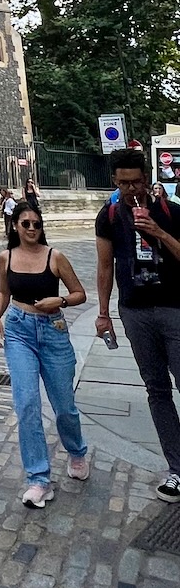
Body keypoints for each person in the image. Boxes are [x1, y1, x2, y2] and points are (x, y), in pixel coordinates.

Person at [95, 149, 180, 504]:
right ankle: (176, 468)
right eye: (123, 183)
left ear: (146, 179)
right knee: (157, 389)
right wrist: (103, 313)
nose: (130, 189)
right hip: (135, 311)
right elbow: (104, 267)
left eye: (135, 182)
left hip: (174, 307)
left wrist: (158, 231)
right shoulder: (109, 216)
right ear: (115, 182)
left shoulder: (171, 211)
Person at [0, 201, 89, 507]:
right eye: (25, 224)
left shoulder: (55, 256)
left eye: (36, 223)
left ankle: (76, 451)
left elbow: (79, 293)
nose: (32, 229)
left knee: (64, 405)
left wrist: (58, 301)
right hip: (19, 330)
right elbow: (4, 292)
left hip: (53, 330)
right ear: (15, 226)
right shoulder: (5, 257)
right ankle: (38, 478)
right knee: (27, 404)